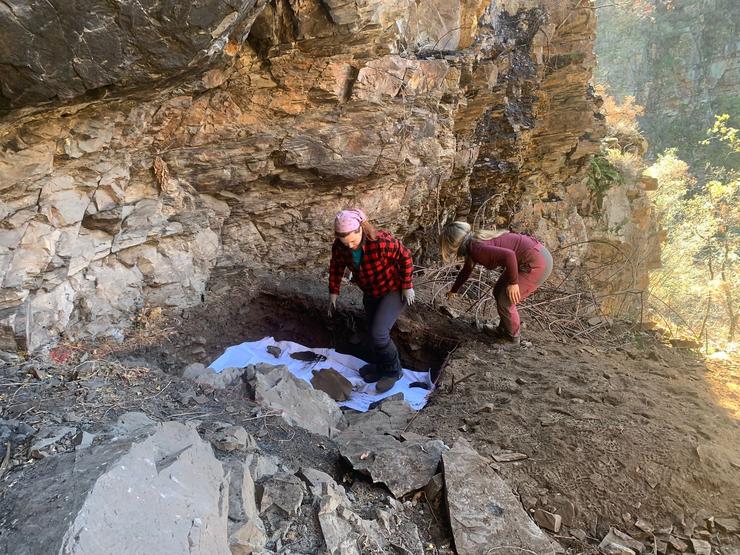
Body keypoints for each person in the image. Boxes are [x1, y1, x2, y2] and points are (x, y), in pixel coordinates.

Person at [328, 209, 415, 393]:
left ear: (361, 229)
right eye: (345, 242)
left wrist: (407, 285)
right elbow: (336, 266)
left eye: (353, 240)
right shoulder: (340, 247)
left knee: (379, 333)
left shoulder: (381, 242)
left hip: (393, 290)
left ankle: (393, 372)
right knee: (372, 332)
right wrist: (333, 292)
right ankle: (381, 367)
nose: (350, 246)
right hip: (371, 292)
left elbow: (405, 256)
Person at [440, 221, 552, 346]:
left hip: (537, 262)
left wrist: (514, 283)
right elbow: (466, 270)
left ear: (453, 243)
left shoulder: (476, 248)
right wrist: (454, 290)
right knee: (498, 290)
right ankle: (503, 330)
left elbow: (509, 255)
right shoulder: (474, 243)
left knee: (506, 299)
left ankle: (512, 339)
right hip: (530, 257)